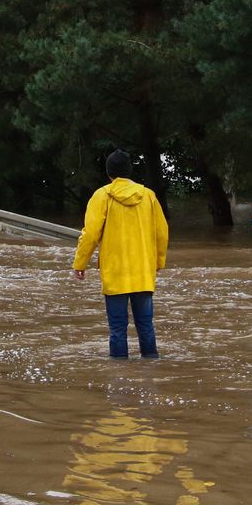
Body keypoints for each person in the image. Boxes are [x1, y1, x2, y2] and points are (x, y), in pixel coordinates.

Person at [72, 149, 169, 359]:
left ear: (108, 172)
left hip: (115, 273)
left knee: (117, 328)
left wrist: (80, 263)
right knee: (146, 325)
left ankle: (119, 377)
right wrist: (159, 261)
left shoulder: (102, 196)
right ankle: (151, 371)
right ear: (129, 170)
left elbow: (90, 234)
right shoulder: (149, 196)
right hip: (143, 272)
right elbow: (162, 233)